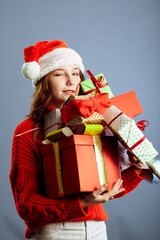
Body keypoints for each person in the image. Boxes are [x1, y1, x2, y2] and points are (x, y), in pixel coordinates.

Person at [10, 40, 147, 240]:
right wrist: (81, 204)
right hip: (54, 231)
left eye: (75, 73)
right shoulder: (27, 131)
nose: (71, 81)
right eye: (59, 74)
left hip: (97, 230)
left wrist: (135, 168)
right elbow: (26, 205)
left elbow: (105, 189)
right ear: (43, 81)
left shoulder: (94, 122)